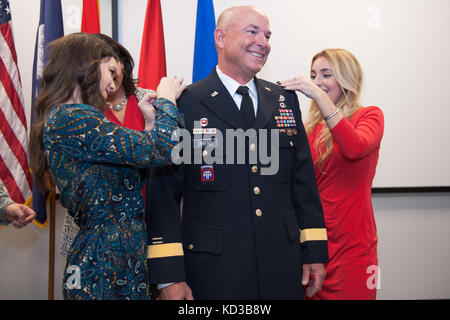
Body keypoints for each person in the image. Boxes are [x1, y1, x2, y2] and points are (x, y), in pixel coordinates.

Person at [146, 6, 328, 300]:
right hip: (214, 270)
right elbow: (164, 197)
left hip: (281, 265)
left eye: (267, 35)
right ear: (220, 37)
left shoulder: (284, 101)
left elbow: (303, 184)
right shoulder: (186, 104)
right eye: (252, 31)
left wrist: (314, 251)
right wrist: (169, 277)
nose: (264, 42)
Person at [29, 32, 185, 300]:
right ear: (88, 66)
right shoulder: (74, 119)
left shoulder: (77, 117)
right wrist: (168, 100)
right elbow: (163, 149)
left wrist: (149, 123)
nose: (113, 84)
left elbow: (137, 161)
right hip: (103, 262)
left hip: (121, 255)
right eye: (110, 71)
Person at [278, 48, 384, 299]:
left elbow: (354, 147)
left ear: (346, 78)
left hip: (355, 249)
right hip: (314, 246)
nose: (317, 82)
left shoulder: (370, 115)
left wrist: (316, 94)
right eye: (313, 75)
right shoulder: (309, 127)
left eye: (326, 75)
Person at [59, 33, 156, 257]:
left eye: (113, 68)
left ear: (121, 62)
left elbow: (164, 151)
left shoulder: (150, 99)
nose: (109, 78)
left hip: (147, 218)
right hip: (95, 229)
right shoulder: (81, 110)